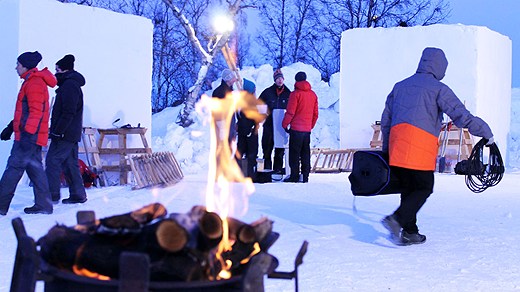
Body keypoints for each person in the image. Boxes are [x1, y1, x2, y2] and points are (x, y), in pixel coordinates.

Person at [380, 47, 494, 246]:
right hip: (419, 144)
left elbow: (386, 119)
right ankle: (396, 220)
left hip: (397, 144)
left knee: (409, 188)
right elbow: (461, 115)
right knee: (424, 187)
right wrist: (485, 131)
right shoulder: (438, 89)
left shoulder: (400, 86)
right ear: (440, 67)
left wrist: (387, 147)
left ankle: (409, 231)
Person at [0, 51, 57, 215]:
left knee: (13, 168)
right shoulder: (31, 82)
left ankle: (1, 205)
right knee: (35, 169)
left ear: (25, 66)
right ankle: (44, 205)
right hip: (30, 135)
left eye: (18, 64)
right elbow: (24, 112)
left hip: (28, 136)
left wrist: (28, 135)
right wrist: (11, 128)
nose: (16, 67)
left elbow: (36, 112)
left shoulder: (34, 83)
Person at [46, 54, 87, 204]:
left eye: (57, 69)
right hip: (70, 132)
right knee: (70, 163)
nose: (55, 73)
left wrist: (58, 131)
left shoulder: (69, 86)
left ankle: (51, 195)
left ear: (64, 70)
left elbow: (68, 111)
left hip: (65, 133)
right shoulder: (70, 84)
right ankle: (78, 194)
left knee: (52, 161)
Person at [282, 71, 319, 183]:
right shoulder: (313, 95)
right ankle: (305, 176)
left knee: (294, 154)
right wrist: (310, 126)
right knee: (305, 154)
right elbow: (315, 114)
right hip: (306, 131)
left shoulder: (295, 94)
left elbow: (290, 112)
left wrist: (284, 124)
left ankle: (294, 176)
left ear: (296, 80)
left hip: (296, 130)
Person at [259, 68, 291, 173]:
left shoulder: (288, 93)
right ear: (274, 80)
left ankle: (277, 171)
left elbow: (292, 109)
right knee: (267, 149)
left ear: (284, 79)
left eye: (281, 78)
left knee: (280, 151)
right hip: (268, 126)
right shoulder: (267, 92)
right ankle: (267, 170)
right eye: (277, 79)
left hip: (281, 127)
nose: (279, 80)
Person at [235, 79, 259, 179]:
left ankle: (238, 174)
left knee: (240, 152)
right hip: (250, 133)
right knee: (251, 154)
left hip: (242, 132)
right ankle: (250, 175)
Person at [212, 69, 238, 143]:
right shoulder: (219, 92)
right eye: (232, 77)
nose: (234, 79)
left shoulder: (230, 91)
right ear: (228, 79)